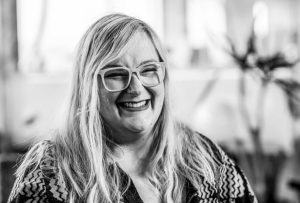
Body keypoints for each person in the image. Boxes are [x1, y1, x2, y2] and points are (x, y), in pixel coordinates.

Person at [8, 14, 257, 203]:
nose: (136, 88)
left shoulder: (205, 157)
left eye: (148, 70)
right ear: (87, 86)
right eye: (116, 74)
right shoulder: (51, 169)